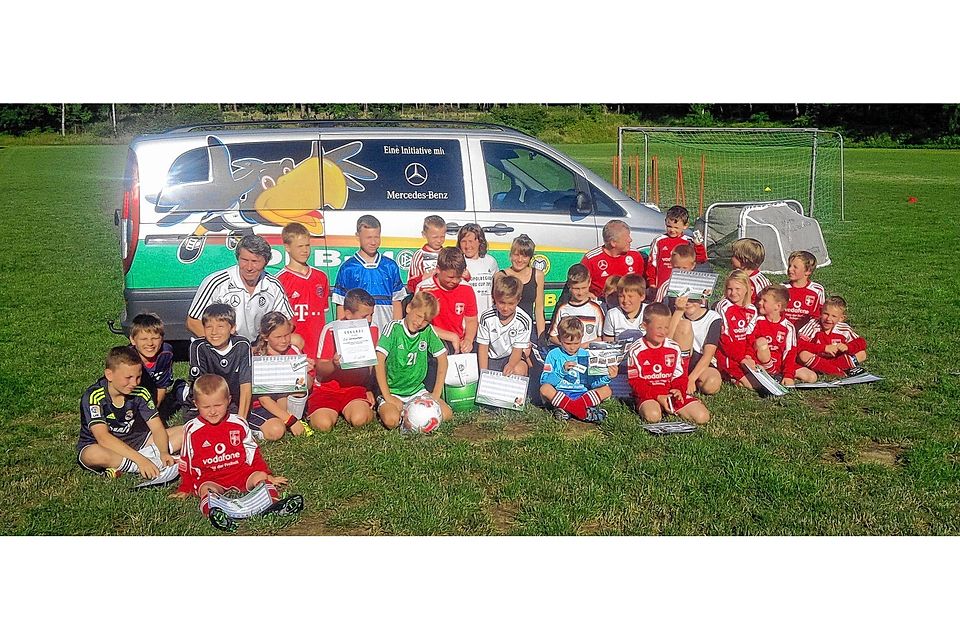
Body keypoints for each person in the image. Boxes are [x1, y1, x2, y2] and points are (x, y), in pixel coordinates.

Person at [172, 374, 303, 531]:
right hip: (212, 478)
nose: (212, 411)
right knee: (205, 489)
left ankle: (275, 506)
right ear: (196, 404)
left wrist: (267, 474)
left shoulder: (238, 423)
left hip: (241, 474)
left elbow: (253, 452)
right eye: (206, 407)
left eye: (218, 405)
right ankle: (216, 514)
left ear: (228, 400)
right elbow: (187, 462)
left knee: (260, 477)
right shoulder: (192, 429)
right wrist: (185, 487)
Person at [77, 346, 183, 479]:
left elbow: (157, 428)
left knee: (186, 431)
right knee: (92, 455)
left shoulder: (141, 392)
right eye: (128, 377)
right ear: (109, 375)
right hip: (107, 447)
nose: (134, 383)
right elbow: (103, 438)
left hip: (138, 441)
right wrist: (141, 461)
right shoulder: (94, 396)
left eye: (138, 377)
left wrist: (164, 452)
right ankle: (147, 465)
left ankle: (129, 464)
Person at [186, 234, 294, 342]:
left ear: (266, 262)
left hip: (256, 347)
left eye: (255, 262)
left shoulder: (273, 285)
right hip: (219, 347)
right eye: (244, 260)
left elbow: (288, 322)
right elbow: (193, 322)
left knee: (296, 340)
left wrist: (265, 344)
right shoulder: (217, 283)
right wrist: (224, 348)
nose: (249, 267)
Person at [375, 292, 454, 429]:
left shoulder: (428, 331)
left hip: (417, 391)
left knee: (447, 414)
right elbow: (379, 360)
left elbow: (443, 359)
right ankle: (393, 408)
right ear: (409, 308)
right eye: (418, 316)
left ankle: (410, 414)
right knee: (391, 421)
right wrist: (388, 396)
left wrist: (435, 394)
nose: (420, 323)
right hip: (393, 391)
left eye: (426, 321)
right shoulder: (393, 328)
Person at [625, 304, 710, 425]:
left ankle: (670, 407)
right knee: (653, 416)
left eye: (666, 327)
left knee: (702, 417)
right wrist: (658, 396)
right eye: (658, 328)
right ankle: (656, 407)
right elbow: (636, 382)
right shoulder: (636, 350)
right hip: (648, 395)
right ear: (645, 326)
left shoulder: (674, 347)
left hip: (670, 393)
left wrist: (678, 390)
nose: (663, 332)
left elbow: (680, 376)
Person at [308, 289, 379, 431]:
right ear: (348, 314)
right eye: (365, 316)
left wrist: (370, 389)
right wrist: (334, 364)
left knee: (360, 420)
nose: (370, 319)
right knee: (323, 425)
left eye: (371, 314)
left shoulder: (373, 329)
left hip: (354, 388)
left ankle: (357, 408)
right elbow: (320, 368)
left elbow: (372, 366)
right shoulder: (330, 330)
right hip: (327, 389)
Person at [332, 215, 405, 334]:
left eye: (376, 237)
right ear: (357, 236)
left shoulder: (390, 266)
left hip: (386, 331)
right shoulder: (348, 268)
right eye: (368, 237)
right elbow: (341, 305)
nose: (373, 242)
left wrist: (396, 331)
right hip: (358, 333)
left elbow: (397, 302)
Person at [248, 312, 313, 440]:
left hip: (283, 403)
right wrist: (290, 420)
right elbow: (264, 400)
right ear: (265, 337)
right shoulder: (258, 358)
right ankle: (252, 430)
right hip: (260, 406)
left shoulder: (293, 351)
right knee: (277, 431)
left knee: (298, 387)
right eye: (278, 337)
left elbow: (308, 386)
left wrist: (304, 375)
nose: (284, 340)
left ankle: (295, 419)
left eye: (287, 335)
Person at [185, 303, 252, 422]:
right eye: (209, 327)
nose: (214, 332)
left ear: (232, 328)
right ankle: (181, 390)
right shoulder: (198, 346)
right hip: (205, 403)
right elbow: (202, 389)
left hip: (230, 402)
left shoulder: (242, 345)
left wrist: (241, 421)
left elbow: (246, 386)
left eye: (220, 326)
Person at [540, 317, 612, 423]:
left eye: (576, 343)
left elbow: (593, 383)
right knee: (545, 389)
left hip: (583, 394)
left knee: (607, 390)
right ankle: (583, 412)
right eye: (568, 344)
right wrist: (561, 371)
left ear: (582, 338)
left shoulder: (586, 354)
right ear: (559, 339)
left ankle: (569, 409)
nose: (572, 347)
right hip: (561, 393)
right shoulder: (553, 354)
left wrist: (607, 376)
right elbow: (544, 380)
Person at [745, 284, 817, 387]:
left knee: (811, 376)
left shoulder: (788, 327)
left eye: (764, 301)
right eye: (761, 299)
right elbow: (749, 342)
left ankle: (778, 376)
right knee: (761, 342)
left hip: (780, 364)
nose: (760, 302)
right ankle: (771, 374)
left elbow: (790, 353)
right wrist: (751, 359)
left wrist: (788, 375)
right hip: (760, 362)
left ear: (777, 306)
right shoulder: (757, 321)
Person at [276, 222, 329, 361]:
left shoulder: (321, 277)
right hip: (295, 346)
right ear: (287, 247)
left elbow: (323, 313)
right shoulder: (280, 280)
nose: (305, 250)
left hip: (319, 344)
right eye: (300, 246)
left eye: (307, 245)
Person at [416, 246, 479, 354]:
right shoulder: (424, 289)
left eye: (458, 277)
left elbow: (471, 320)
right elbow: (419, 322)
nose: (455, 281)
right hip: (431, 343)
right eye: (450, 277)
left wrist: (468, 340)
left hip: (459, 345)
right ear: (438, 269)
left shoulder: (466, 289)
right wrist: (450, 337)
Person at [127, 312, 187, 423]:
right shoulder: (127, 358)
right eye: (144, 339)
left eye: (155, 338)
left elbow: (162, 386)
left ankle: (179, 389)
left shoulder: (166, 353)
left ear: (162, 338)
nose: (150, 343)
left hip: (153, 391)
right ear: (133, 340)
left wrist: (152, 413)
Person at [798, 295, 869, 377]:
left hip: (837, 359)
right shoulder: (813, 325)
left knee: (862, 354)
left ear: (841, 318)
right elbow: (799, 344)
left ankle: (828, 368)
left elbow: (861, 342)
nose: (828, 318)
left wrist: (847, 347)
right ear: (820, 312)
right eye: (826, 314)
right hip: (818, 358)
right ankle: (839, 373)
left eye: (834, 316)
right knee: (803, 355)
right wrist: (823, 348)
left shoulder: (843, 328)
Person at [477, 275, 532, 377]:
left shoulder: (524, 320)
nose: (505, 308)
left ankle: (517, 392)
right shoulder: (486, 317)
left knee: (518, 370)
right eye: (501, 303)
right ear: (495, 298)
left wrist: (511, 365)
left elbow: (517, 349)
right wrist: (483, 373)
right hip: (492, 358)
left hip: (513, 357)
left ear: (518, 300)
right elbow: (483, 347)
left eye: (511, 303)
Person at [495, 234, 546, 342]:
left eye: (524, 256)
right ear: (510, 255)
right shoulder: (501, 276)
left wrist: (541, 337)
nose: (519, 260)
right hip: (506, 329)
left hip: (527, 329)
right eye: (516, 255)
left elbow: (539, 309)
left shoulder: (538, 275)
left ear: (530, 258)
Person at [644, 205, 707, 290]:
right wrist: (651, 283)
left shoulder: (689, 242)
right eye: (669, 226)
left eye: (676, 227)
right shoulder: (659, 241)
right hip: (662, 286)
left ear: (685, 226)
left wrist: (698, 245)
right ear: (665, 222)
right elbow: (652, 263)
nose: (672, 230)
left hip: (683, 287)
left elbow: (701, 259)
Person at [714, 269, 759, 387]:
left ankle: (737, 378)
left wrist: (748, 355)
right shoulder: (723, 306)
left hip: (744, 354)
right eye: (730, 289)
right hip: (727, 354)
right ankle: (731, 377)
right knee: (751, 384)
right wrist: (741, 359)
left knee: (759, 378)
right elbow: (724, 340)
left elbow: (750, 337)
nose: (733, 293)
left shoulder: (752, 309)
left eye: (737, 289)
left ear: (746, 289)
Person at [581, 220, 645, 298]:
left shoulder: (635, 256)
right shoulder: (591, 259)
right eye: (627, 237)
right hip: (601, 304)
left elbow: (642, 284)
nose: (630, 240)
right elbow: (579, 285)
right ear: (613, 243)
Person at [548, 264, 605, 348]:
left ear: (589, 283)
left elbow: (602, 337)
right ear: (569, 286)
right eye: (576, 288)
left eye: (584, 288)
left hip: (588, 354)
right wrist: (568, 346)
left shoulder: (596, 308)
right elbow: (552, 336)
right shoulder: (563, 309)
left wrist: (582, 346)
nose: (580, 292)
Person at [458, 223, 499, 317]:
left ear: (480, 241)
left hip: (487, 315)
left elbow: (496, 287)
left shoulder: (490, 261)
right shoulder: (458, 262)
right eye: (463, 241)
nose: (467, 245)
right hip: (466, 316)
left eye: (471, 241)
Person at [784, 250, 826, 330]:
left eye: (795, 267)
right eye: (789, 266)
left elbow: (819, 315)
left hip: (806, 333)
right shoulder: (783, 288)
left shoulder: (817, 290)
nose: (790, 269)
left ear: (808, 271)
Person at [406, 215, 447, 294]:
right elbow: (411, 284)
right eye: (435, 237)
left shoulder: (447, 254)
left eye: (442, 237)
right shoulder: (419, 255)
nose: (439, 240)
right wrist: (424, 277)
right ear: (424, 235)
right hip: (425, 298)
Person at [602, 274, 647, 342]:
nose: (625, 300)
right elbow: (608, 343)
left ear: (642, 296)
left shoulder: (650, 312)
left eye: (630, 296)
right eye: (621, 296)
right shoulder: (612, 314)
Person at [730, 238, 771, 306]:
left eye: (734, 256)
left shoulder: (751, 282)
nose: (731, 258)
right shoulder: (752, 276)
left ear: (743, 259)